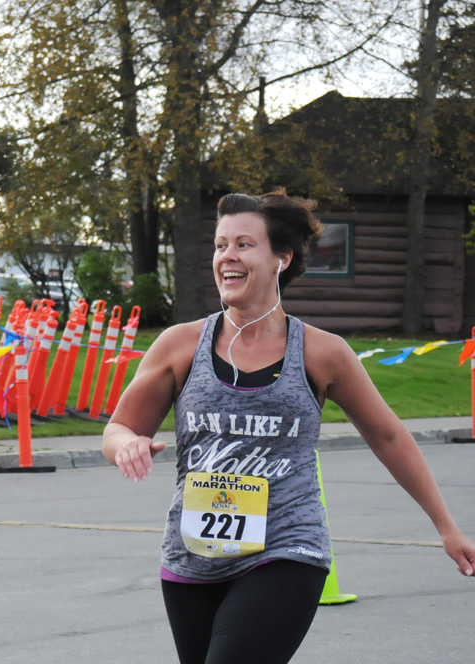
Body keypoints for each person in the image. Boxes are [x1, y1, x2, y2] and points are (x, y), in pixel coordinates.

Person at [102, 191, 475, 664]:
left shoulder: (321, 352)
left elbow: (388, 436)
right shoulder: (180, 345)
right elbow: (118, 428)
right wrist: (126, 444)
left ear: (282, 258)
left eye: (243, 244)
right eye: (220, 245)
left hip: (287, 549)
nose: (227, 256)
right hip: (191, 555)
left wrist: (446, 527)